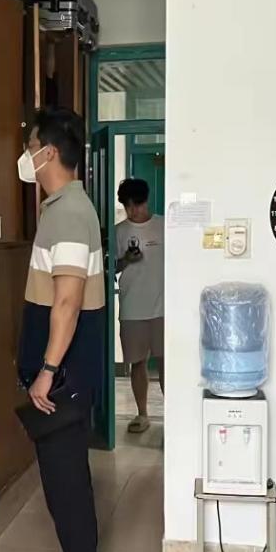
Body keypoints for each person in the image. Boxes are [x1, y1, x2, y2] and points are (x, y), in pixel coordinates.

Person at [16, 106, 113, 552]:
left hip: (63, 378)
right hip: (64, 374)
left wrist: (47, 370)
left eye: (31, 145)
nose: (26, 155)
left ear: (49, 152)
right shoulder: (64, 208)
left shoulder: (69, 213)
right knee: (67, 482)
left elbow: (68, 301)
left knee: (67, 488)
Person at [115, 178, 164, 433]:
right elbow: (110, 268)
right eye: (128, 206)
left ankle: (172, 416)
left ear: (146, 201)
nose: (133, 211)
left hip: (164, 308)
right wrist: (125, 259)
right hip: (132, 307)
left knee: (166, 362)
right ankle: (142, 414)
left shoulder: (164, 226)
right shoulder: (119, 231)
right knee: (137, 363)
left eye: (137, 205)